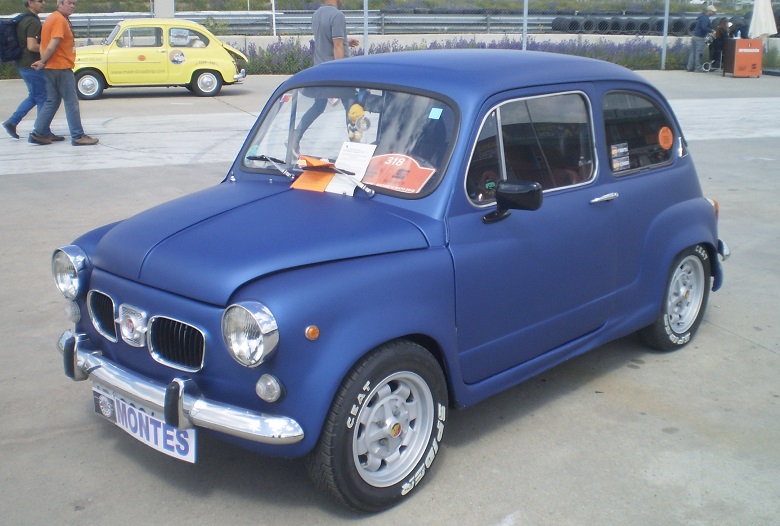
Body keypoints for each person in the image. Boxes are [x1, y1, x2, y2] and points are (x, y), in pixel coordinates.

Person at [291, 0, 359, 155]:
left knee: (318, 106)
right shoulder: (337, 15)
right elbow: (337, 46)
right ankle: (356, 147)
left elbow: (326, 40)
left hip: (320, 70)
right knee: (352, 107)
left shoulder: (317, 14)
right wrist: (340, 75)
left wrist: (346, 41)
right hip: (335, 73)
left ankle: (295, 137)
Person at [28, 0, 98, 146]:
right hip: (60, 67)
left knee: (52, 101)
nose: (72, 6)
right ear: (59, 4)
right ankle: (78, 135)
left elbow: (45, 44)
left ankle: (38, 133)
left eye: (74, 3)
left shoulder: (53, 18)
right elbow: (53, 44)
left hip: (52, 67)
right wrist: (43, 61)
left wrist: (44, 62)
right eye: (69, 3)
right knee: (71, 102)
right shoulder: (59, 20)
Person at [3, 0, 61, 141]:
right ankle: (43, 131)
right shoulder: (33, 22)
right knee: (44, 98)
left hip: (22, 64)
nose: (44, 3)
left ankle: (12, 122)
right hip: (32, 64)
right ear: (30, 3)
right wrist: (48, 50)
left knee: (34, 96)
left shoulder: (22, 18)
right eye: (40, 1)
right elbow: (31, 45)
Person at [687, 5, 716, 72]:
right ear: (709, 11)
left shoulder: (701, 16)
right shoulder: (705, 18)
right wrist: (712, 31)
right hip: (700, 37)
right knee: (699, 53)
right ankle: (698, 68)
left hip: (695, 36)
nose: (713, 13)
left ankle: (689, 67)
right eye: (713, 12)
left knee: (693, 53)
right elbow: (704, 27)